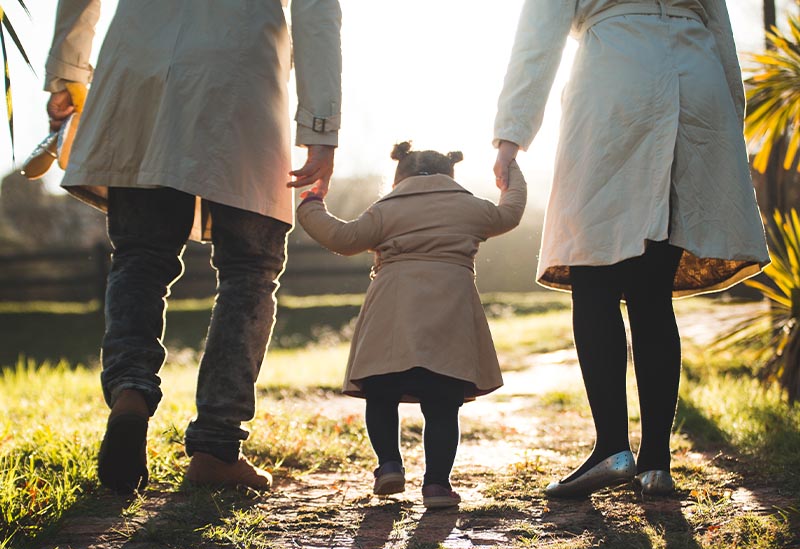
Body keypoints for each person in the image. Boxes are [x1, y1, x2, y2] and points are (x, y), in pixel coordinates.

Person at [43, 0, 342, 493]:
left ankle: (130, 392)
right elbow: (316, 12)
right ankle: (216, 448)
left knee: (140, 256)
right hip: (239, 75)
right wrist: (320, 125)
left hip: (137, 71)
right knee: (249, 268)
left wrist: (66, 74)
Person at [493, 0, 769, 497]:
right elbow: (720, 26)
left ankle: (612, 450)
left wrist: (511, 134)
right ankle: (656, 463)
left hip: (616, 79)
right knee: (651, 291)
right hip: (696, 80)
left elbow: (540, 31)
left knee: (594, 274)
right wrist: (730, 123)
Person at [297, 142, 527, 508]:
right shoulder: (469, 207)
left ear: (399, 175)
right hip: (449, 312)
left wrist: (312, 201)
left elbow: (341, 237)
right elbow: (510, 212)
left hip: (393, 311)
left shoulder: (387, 208)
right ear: (451, 174)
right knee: (442, 402)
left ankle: (388, 465)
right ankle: (437, 485)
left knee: (382, 392)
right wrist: (509, 170)